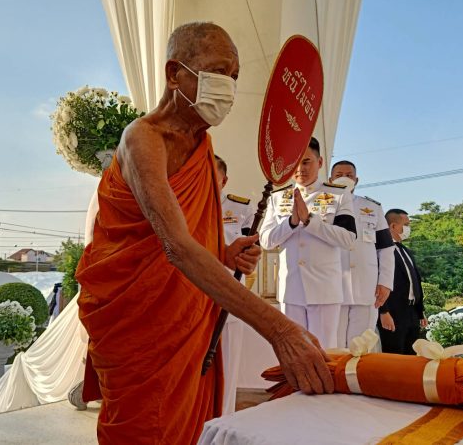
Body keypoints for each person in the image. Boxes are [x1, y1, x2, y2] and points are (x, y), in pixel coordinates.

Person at [75, 22, 333, 444]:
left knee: (189, 427)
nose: (228, 87)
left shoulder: (202, 145)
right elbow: (175, 246)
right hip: (141, 324)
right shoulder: (143, 138)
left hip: (190, 317)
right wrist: (279, 329)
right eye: (217, 71)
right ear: (174, 74)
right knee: (144, 427)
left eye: (234, 76)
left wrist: (225, 255)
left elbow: (189, 238)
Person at [259, 138, 356, 349]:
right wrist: (291, 223)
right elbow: (265, 240)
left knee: (323, 352)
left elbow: (348, 238)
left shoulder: (338, 195)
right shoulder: (277, 197)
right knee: (294, 351)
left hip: (324, 290)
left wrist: (310, 221)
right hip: (290, 289)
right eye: (295, 163)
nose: (300, 169)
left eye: (306, 162)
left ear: (320, 162)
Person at [329, 160, 395, 347]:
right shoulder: (321, 207)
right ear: (330, 180)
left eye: (349, 175)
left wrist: (385, 282)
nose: (344, 178)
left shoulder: (372, 208)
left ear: (356, 180)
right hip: (332, 287)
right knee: (333, 345)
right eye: (339, 175)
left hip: (366, 287)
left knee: (361, 346)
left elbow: (386, 248)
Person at [214, 154, 254, 414]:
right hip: (193, 300)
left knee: (227, 371)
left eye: (213, 174)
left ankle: (223, 420)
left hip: (229, 297)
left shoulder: (241, 209)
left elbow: (251, 253)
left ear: (224, 180)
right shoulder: (183, 204)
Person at [378, 209, 427, 354]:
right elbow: (378, 282)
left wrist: (420, 311)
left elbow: (414, 281)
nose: (408, 229)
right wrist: (383, 311)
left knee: (412, 355)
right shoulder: (381, 250)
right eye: (406, 225)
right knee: (394, 355)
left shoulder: (406, 250)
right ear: (393, 226)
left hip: (411, 312)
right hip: (393, 313)